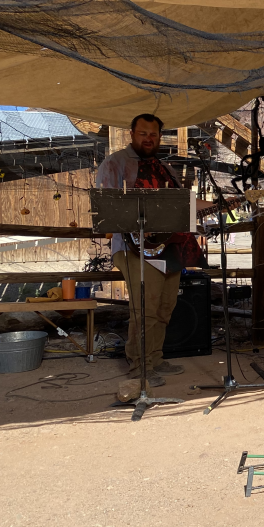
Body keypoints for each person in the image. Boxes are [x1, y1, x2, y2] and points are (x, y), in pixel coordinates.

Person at [95, 114, 206, 387]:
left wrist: (226, 203)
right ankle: (139, 366)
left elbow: (183, 205)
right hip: (134, 247)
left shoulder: (163, 167)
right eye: (143, 133)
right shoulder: (115, 163)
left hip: (168, 248)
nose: (148, 139)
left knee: (165, 307)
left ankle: (155, 358)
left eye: (153, 134)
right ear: (132, 133)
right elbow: (107, 207)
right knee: (145, 308)